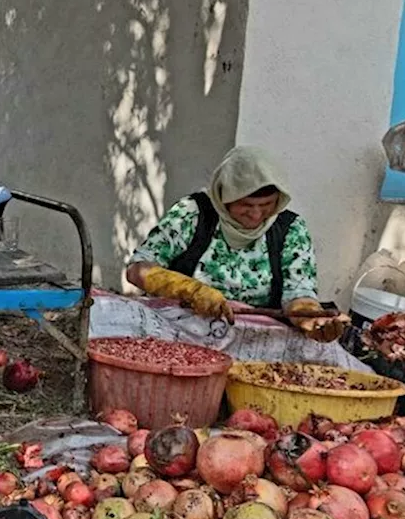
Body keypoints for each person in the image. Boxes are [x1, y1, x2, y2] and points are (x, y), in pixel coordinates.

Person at [87, 146, 365, 369]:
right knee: (102, 314)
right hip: (184, 324)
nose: (256, 216)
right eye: (245, 206)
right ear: (224, 197)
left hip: (254, 332)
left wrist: (310, 318)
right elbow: (138, 269)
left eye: (266, 206)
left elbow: (298, 291)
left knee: (323, 353)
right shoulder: (192, 212)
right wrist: (190, 290)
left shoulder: (290, 228)